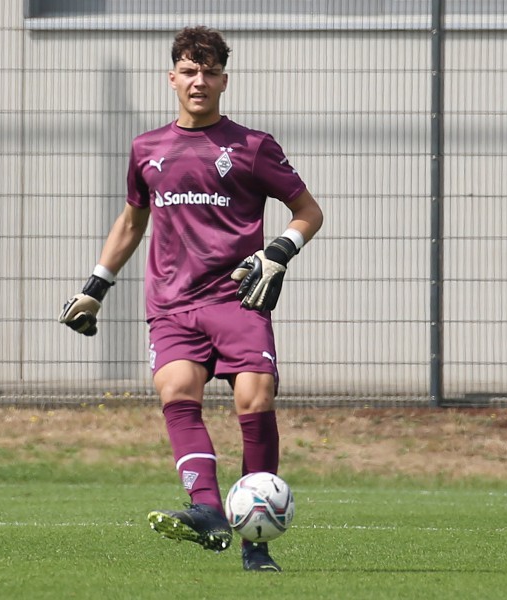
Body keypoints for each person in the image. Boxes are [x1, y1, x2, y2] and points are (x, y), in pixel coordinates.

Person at [59, 25, 323, 572]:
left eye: (209, 72)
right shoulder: (147, 149)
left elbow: (309, 212)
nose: (198, 81)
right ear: (172, 77)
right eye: (188, 70)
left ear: (225, 79)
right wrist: (95, 286)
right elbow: (133, 222)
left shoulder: (252, 147)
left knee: (256, 399)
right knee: (178, 389)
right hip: (172, 303)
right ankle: (206, 511)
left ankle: (256, 542)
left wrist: (279, 250)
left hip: (236, 300)